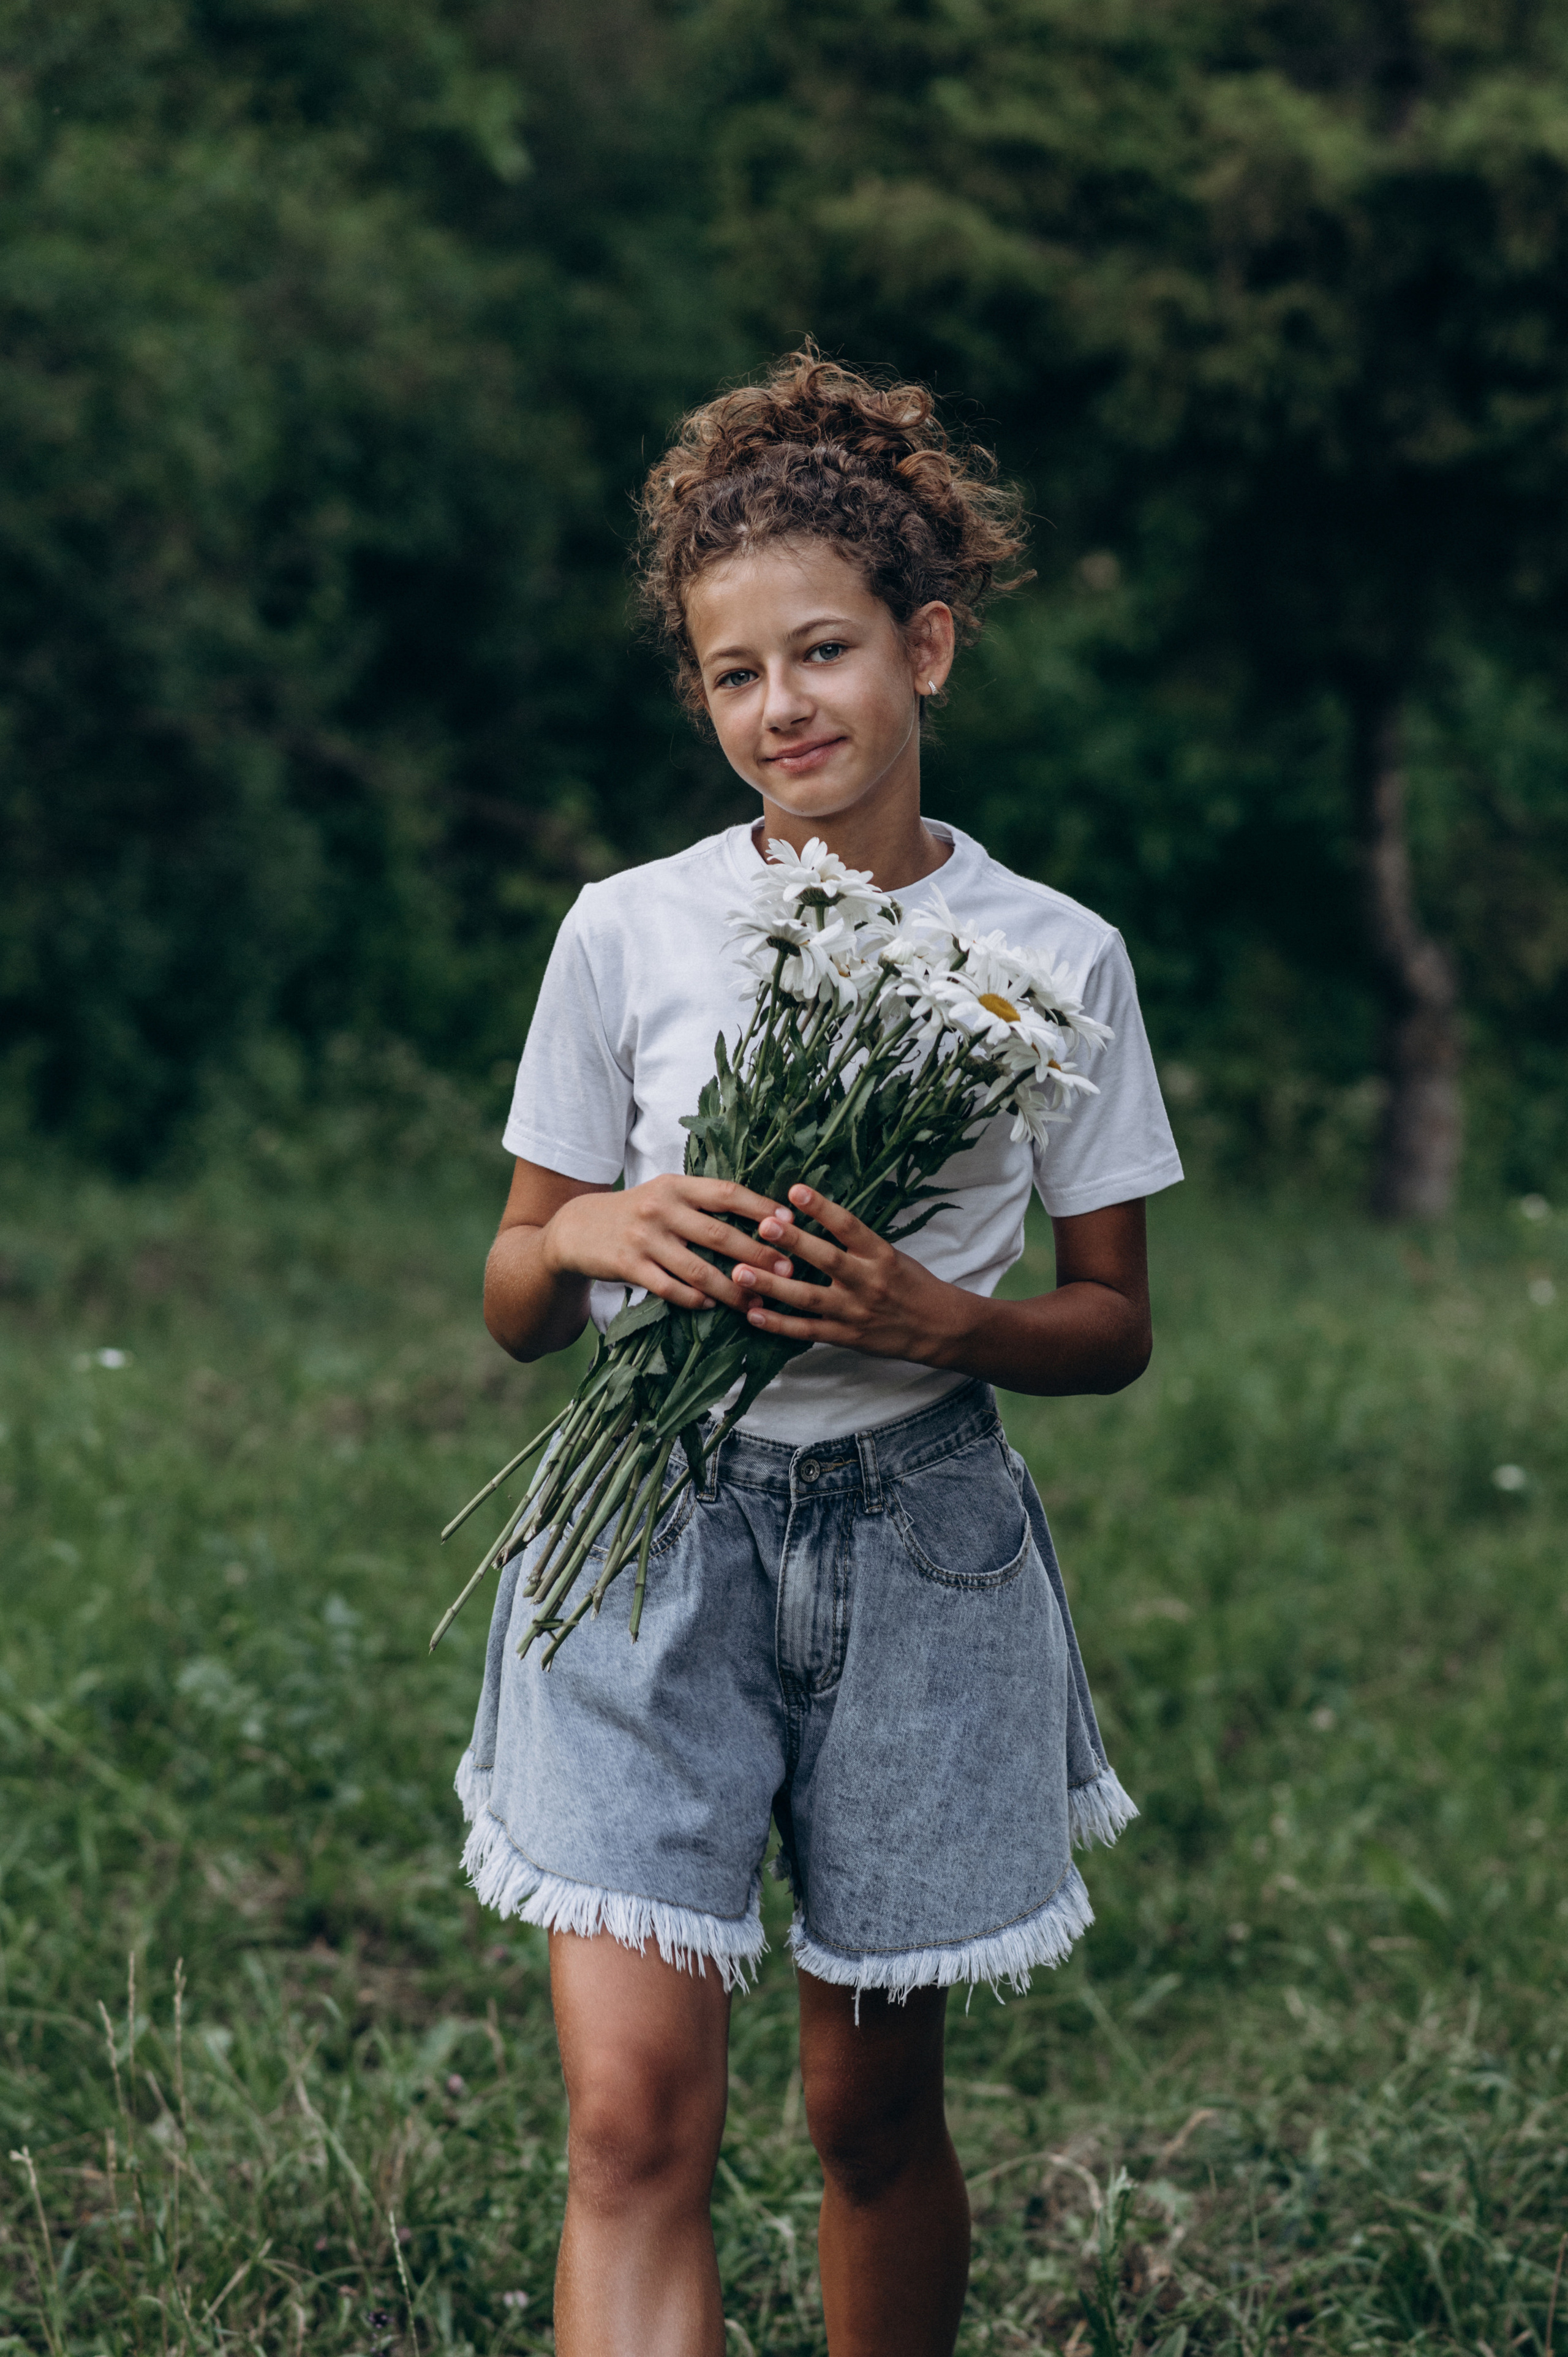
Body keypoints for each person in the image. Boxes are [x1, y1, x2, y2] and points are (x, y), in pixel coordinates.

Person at [458, 349, 1183, 2356]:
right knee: (625, 2127)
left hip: (919, 1549)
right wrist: (592, 1228)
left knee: (869, 2118)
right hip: (641, 1543)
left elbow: (1113, 1324)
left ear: (927, 646)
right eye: (732, 673)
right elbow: (517, 1291)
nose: (782, 709)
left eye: (826, 652)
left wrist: (938, 1319)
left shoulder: (1058, 959)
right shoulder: (629, 928)